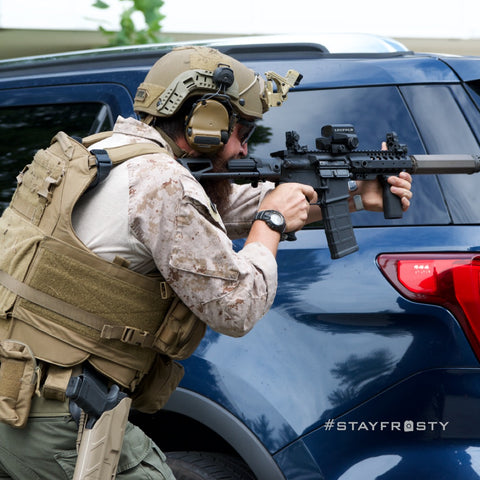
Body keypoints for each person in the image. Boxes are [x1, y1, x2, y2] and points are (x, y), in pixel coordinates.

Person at [0, 45, 412, 479]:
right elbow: (236, 307)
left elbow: (214, 214)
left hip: (19, 395)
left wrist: (350, 198)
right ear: (206, 122)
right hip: (56, 415)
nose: (243, 148)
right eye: (242, 132)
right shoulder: (164, 184)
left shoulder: (110, 154)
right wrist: (270, 222)